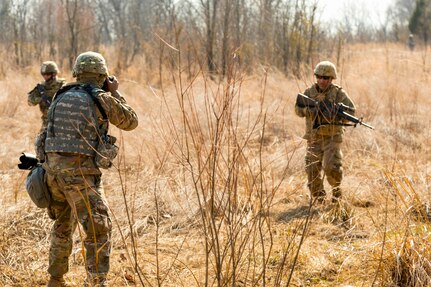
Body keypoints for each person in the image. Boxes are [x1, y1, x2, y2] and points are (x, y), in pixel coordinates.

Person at [40, 51, 139, 287]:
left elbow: (44, 135)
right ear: (102, 75)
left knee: (63, 226)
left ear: (77, 72)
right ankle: (95, 283)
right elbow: (131, 121)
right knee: (98, 230)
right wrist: (115, 92)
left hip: (53, 175)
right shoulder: (101, 97)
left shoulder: (61, 95)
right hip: (81, 177)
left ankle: (55, 279)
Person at [295, 61, 356, 203]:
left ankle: (336, 193)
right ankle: (319, 199)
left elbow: (351, 111)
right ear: (316, 77)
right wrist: (309, 110)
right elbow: (298, 109)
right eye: (320, 77)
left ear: (332, 79)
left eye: (326, 78)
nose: (322, 81)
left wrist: (336, 113)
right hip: (314, 137)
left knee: (331, 167)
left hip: (332, 137)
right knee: (311, 169)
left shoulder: (338, 94)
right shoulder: (310, 93)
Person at [28, 61, 66, 130]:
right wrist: (40, 99)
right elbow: (30, 102)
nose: (45, 77)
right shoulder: (41, 87)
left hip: (62, 120)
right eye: (43, 74)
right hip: (46, 121)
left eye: (47, 74)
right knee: (40, 140)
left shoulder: (62, 85)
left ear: (54, 74)